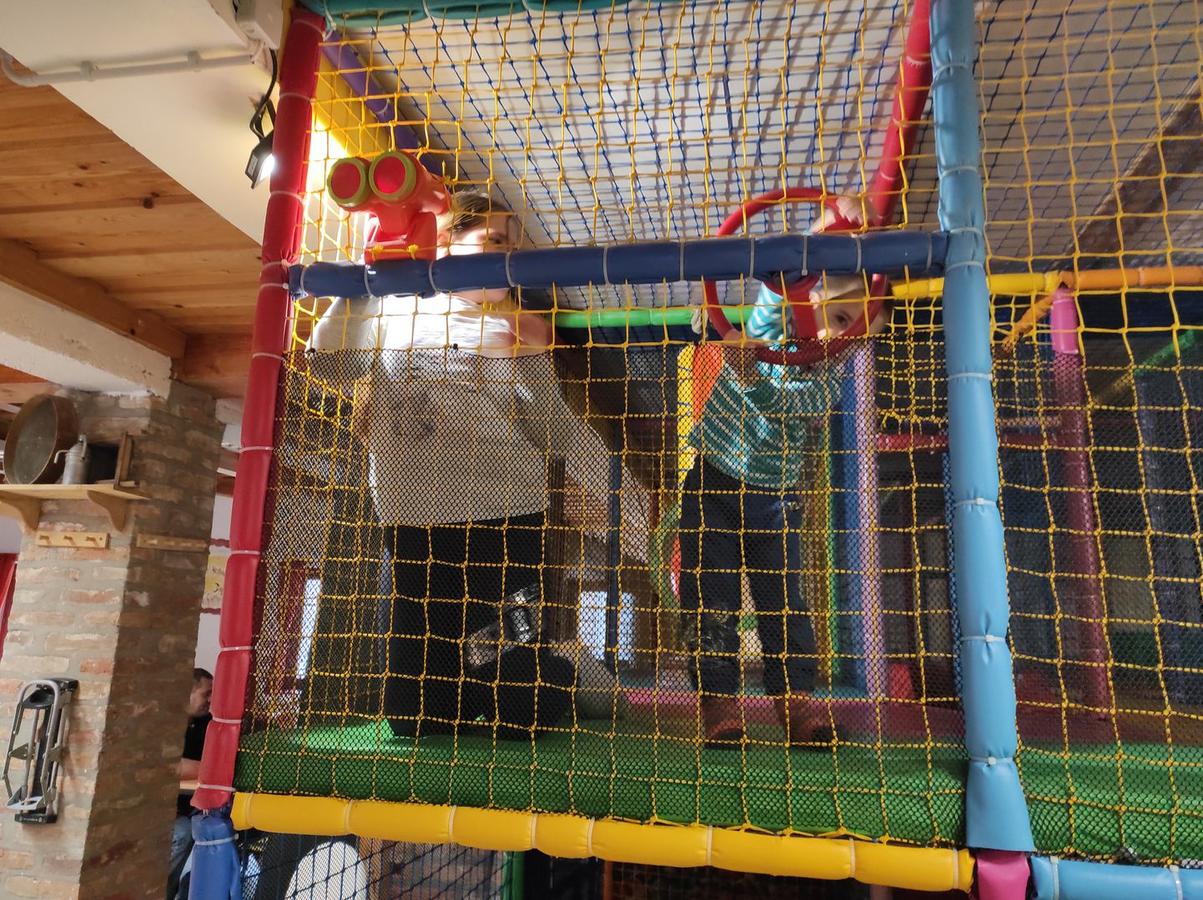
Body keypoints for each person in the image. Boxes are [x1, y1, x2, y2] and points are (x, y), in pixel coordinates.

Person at [307, 191, 615, 740]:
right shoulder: (397, 305)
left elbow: (552, 433)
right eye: (493, 241)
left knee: (522, 713)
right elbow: (330, 365)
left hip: (507, 517)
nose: (506, 256)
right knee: (415, 718)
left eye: (512, 248)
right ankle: (491, 683)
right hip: (414, 520)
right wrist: (364, 279)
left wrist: (535, 359)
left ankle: (571, 671)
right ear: (445, 243)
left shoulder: (512, 325)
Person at [680, 243, 891, 748]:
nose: (843, 338)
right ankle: (718, 701)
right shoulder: (772, 328)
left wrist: (750, 377)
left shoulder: (827, 383)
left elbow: (785, 403)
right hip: (713, 485)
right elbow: (786, 274)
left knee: (784, 604)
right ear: (811, 300)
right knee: (710, 597)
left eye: (857, 336)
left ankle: (796, 702)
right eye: (840, 319)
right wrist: (829, 230)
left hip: (775, 500)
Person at [167, 668, 212, 900]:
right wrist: (207, 767)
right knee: (183, 832)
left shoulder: (206, 723)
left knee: (207, 828)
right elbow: (171, 766)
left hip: (190, 805)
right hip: (167, 810)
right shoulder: (165, 724)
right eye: (206, 694)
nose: (211, 700)